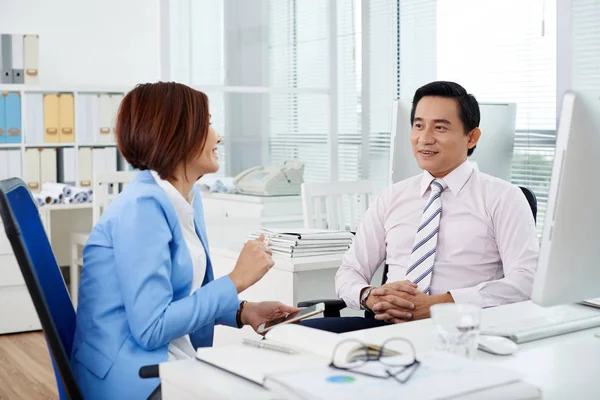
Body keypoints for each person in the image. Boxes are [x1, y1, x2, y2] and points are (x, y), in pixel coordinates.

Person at [70, 82, 299, 399]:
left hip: (171, 361)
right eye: (206, 123)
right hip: (132, 379)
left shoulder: (186, 199)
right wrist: (236, 280)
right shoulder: (142, 210)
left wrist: (243, 311)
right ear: (177, 133)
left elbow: (181, 297)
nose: (218, 135)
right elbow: (152, 328)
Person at [303, 81, 539, 333]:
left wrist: (442, 304)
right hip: (383, 326)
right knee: (294, 336)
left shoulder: (503, 197)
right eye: (418, 125)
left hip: (459, 329)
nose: (424, 139)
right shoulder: (391, 197)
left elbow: (527, 280)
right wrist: (369, 296)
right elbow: (350, 270)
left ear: (471, 137)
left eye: (439, 127)